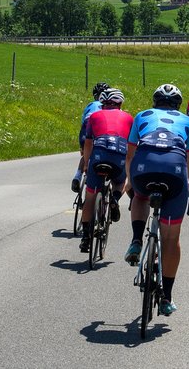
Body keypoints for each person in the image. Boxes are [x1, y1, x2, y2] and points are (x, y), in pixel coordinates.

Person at [124, 83, 189, 317]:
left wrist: (130, 180)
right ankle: (166, 297)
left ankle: (137, 240)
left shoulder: (141, 116)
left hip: (144, 166)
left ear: (155, 102)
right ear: (178, 104)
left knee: (139, 195)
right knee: (171, 238)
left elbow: (130, 154)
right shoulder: (187, 121)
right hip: (174, 171)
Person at [79, 87, 133, 254]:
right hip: (119, 155)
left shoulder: (94, 116)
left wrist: (87, 164)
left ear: (101, 103)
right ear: (120, 103)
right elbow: (132, 146)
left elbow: (88, 143)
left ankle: (86, 239)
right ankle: (115, 199)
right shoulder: (129, 117)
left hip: (98, 155)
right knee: (120, 181)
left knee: (90, 197)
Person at [72, 82, 109, 192]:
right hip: (101, 131)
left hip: (86, 129)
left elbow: (83, 123)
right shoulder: (109, 105)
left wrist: (82, 147)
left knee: (86, 155)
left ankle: (77, 175)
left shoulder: (90, 105)